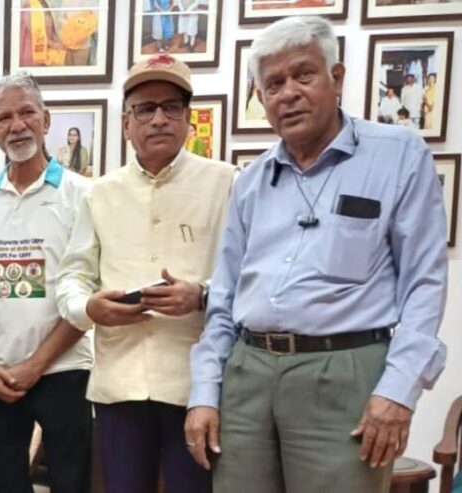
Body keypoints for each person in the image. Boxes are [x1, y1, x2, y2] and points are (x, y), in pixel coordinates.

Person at [186, 17, 448, 492]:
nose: (288, 93)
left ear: (337, 78)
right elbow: (223, 297)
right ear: (261, 97)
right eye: (273, 84)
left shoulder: (398, 155)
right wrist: (204, 392)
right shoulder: (251, 181)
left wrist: (398, 391)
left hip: (345, 373)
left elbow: (424, 284)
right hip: (246, 374)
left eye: (303, 75)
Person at [57, 54, 233, 493]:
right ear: (126, 123)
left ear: (188, 118)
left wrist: (201, 294)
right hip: (120, 384)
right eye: (145, 109)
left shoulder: (228, 183)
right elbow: (72, 277)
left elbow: (250, 277)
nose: (158, 119)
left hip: (198, 386)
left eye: (171, 107)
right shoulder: (100, 193)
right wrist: (89, 308)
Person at [0, 72, 94, 492]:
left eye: (26, 113)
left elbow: (87, 292)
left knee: (71, 483)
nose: (16, 125)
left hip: (66, 371)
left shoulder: (83, 194)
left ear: (46, 119)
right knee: (6, 484)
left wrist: (35, 365)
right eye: (4, 118)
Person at [20, 0, 65, 66]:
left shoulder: (47, 4)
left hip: (47, 50)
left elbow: (54, 26)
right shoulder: (29, 6)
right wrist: (54, 44)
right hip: (32, 52)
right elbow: (36, 33)